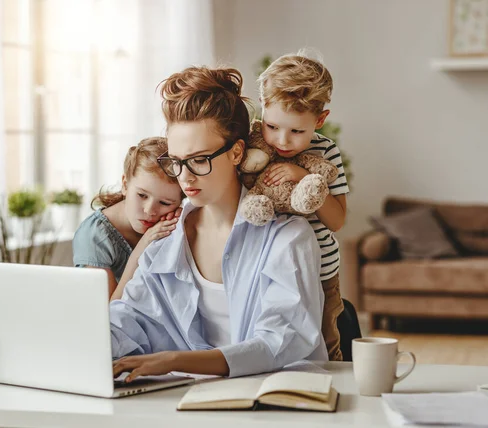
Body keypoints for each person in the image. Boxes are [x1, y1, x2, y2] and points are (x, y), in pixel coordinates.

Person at [110, 66, 328, 383]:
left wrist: (175, 360)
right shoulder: (166, 241)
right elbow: (130, 320)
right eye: (176, 161)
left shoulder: (289, 238)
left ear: (237, 152)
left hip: (273, 404)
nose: (185, 176)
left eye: (199, 159)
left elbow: (281, 342)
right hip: (181, 405)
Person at [257, 51, 350, 361]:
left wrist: (305, 177)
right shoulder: (255, 146)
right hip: (268, 267)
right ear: (263, 109)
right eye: (272, 126)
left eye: (297, 131)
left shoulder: (326, 151)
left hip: (320, 272)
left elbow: (337, 221)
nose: (282, 141)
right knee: (272, 340)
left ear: (320, 120)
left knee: (325, 340)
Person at [73, 137, 184, 300]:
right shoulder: (94, 236)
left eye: (165, 203)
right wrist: (143, 246)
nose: (150, 210)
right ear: (125, 184)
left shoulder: (170, 224)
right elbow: (107, 315)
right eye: (142, 195)